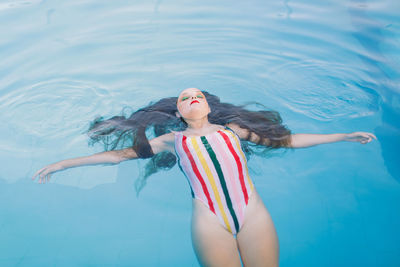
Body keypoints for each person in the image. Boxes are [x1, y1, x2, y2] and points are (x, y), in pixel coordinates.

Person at [32, 88, 376, 267]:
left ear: (208, 106)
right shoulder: (172, 140)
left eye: (197, 96)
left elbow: (288, 141)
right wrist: (64, 164)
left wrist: (342, 136)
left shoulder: (234, 130)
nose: (192, 99)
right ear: (178, 112)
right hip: (209, 221)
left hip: (253, 214)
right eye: (185, 98)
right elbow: (116, 157)